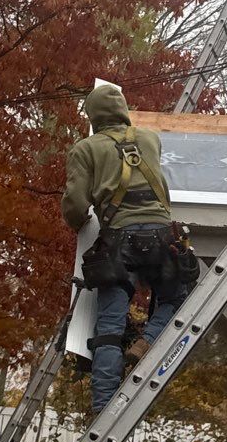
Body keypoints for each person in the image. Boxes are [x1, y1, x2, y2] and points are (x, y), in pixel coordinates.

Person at [61, 85, 199, 414]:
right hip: (161, 236)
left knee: (109, 327)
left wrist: (80, 222)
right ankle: (147, 341)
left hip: (118, 239)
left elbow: (76, 203)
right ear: (123, 110)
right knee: (175, 298)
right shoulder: (150, 139)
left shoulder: (85, 148)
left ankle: (103, 408)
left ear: (93, 116)